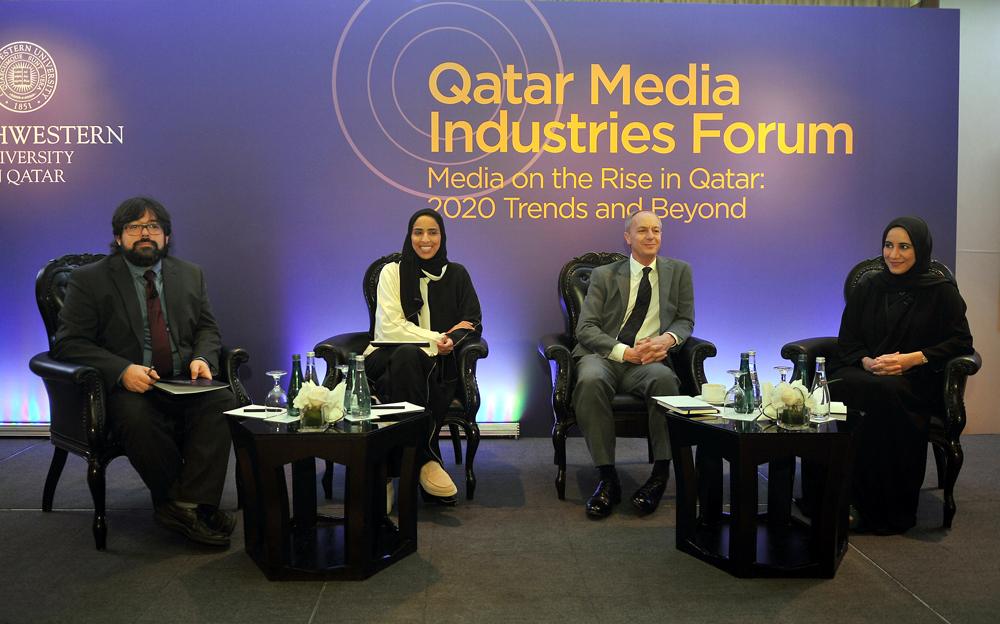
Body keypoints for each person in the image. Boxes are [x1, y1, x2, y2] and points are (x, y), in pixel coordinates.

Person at [53, 196, 239, 547]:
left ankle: (183, 506)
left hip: (182, 380)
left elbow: (207, 328)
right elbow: (69, 342)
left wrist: (203, 358)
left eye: (153, 226)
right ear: (119, 236)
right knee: (138, 418)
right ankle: (192, 508)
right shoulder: (89, 279)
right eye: (134, 227)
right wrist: (122, 369)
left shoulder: (190, 273)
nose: (144, 233)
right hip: (128, 387)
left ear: (166, 236)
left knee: (222, 402)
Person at [828, 216, 974, 535]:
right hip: (867, 373)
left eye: (904, 247)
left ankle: (880, 508)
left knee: (888, 391)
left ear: (919, 250)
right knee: (838, 384)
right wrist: (867, 362)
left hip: (916, 379)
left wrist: (912, 359)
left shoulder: (941, 291)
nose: (894, 255)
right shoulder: (869, 286)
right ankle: (838, 497)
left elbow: (962, 342)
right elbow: (848, 340)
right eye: (888, 245)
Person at [573, 210, 695, 517]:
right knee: (589, 380)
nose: (650, 236)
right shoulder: (605, 275)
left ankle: (659, 475)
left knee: (665, 380)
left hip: (649, 360)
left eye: (656, 230)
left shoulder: (680, 271)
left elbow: (685, 320)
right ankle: (608, 478)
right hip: (606, 355)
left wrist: (666, 340)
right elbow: (586, 328)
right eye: (642, 231)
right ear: (628, 237)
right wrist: (625, 352)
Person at [364, 208, 483, 506]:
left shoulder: (457, 274)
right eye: (418, 232)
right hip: (384, 356)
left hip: (431, 365)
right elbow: (389, 329)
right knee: (407, 354)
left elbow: (472, 320)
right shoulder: (391, 272)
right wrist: (437, 339)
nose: (425, 239)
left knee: (404, 367)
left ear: (442, 236)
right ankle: (426, 460)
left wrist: (451, 340)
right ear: (409, 236)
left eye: (433, 232)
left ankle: (387, 472)